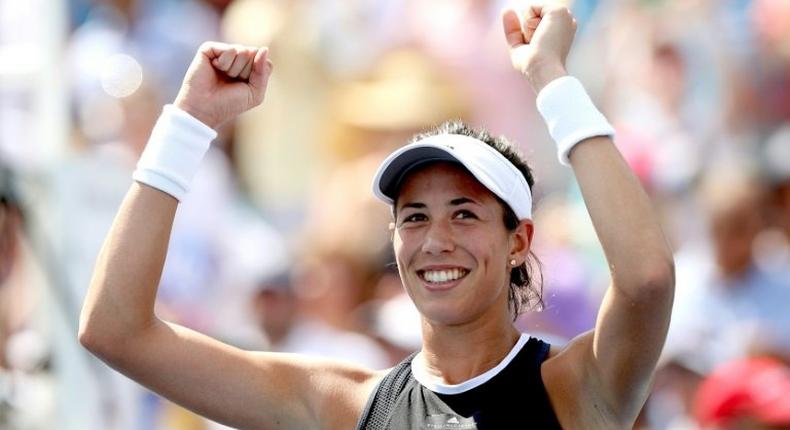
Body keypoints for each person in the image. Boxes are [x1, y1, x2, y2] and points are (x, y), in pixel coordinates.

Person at [79, 4, 675, 429]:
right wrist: (188, 123)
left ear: (519, 240)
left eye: (463, 214)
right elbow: (116, 331)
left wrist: (551, 78)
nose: (436, 239)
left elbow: (646, 281)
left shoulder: (574, 387)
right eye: (413, 217)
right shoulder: (346, 404)